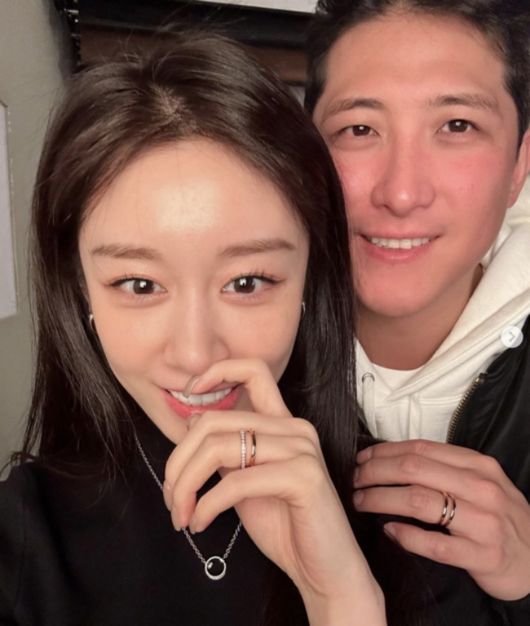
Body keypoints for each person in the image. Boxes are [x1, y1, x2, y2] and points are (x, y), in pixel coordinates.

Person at [0, 29, 423, 626]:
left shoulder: (411, 523)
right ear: (82, 290)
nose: (196, 354)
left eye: (246, 282)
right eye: (140, 285)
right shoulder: (23, 541)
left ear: (309, 279)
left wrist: (342, 600)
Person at [306, 0, 530, 622]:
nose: (401, 193)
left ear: (520, 165)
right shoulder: (227, 356)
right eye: (359, 130)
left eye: (457, 126)